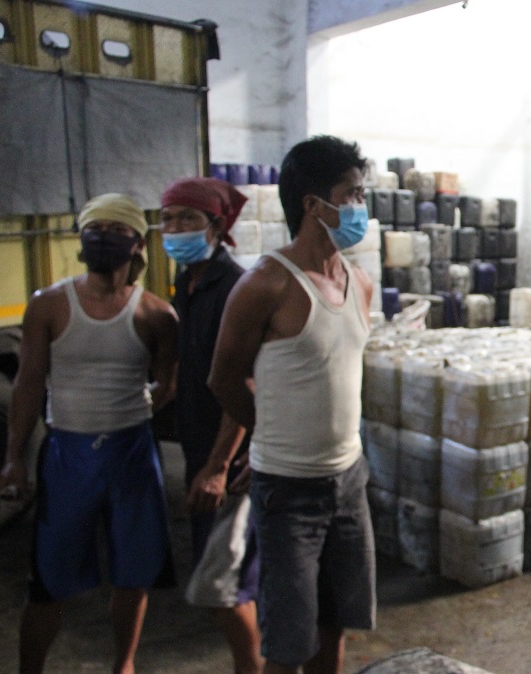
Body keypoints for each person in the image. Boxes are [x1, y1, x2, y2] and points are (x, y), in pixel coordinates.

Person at [208, 135, 375, 674]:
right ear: (312, 205)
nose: (359, 208)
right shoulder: (266, 283)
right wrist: (266, 435)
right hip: (288, 491)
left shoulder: (359, 283)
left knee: (334, 623)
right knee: (288, 641)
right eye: (350, 195)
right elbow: (223, 377)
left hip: (349, 482)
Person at [0, 193, 178, 674]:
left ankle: (124, 665)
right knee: (49, 579)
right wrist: (14, 456)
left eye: (116, 231)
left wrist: (142, 402)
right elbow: (29, 382)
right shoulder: (49, 305)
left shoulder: (156, 314)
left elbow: (168, 381)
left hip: (132, 453)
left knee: (133, 573)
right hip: (67, 453)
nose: (102, 239)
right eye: (93, 229)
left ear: (138, 244)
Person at [160, 176, 262, 674]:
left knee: (223, 587)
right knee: (223, 577)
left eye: (187, 219)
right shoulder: (188, 283)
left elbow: (245, 383)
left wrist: (219, 465)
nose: (174, 228)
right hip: (199, 449)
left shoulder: (234, 287)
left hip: (230, 460)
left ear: (218, 227)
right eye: (167, 219)